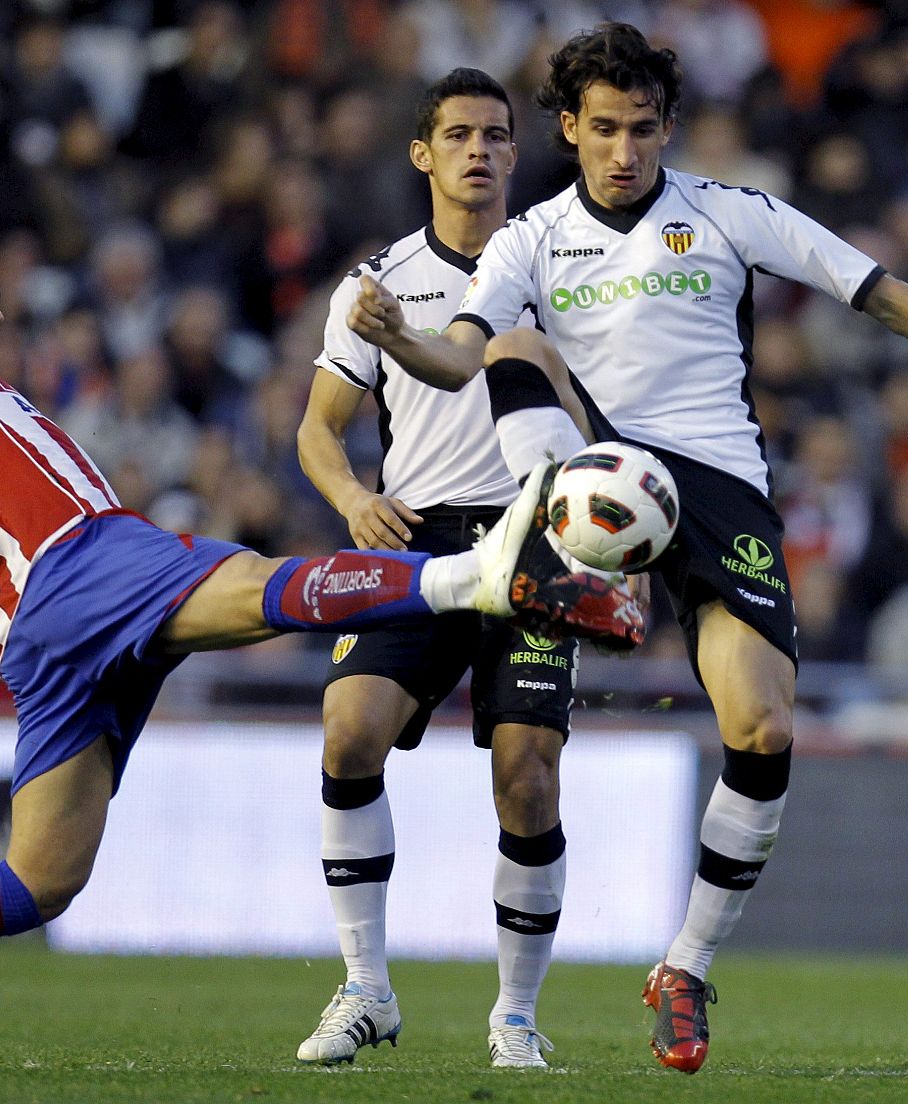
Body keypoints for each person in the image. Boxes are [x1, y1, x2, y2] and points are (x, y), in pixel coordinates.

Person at [0, 141, 643, 1066]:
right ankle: (486, 573)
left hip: (31, 643)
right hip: (73, 567)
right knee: (244, 583)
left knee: (41, 879)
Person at [343, 23, 908, 1074]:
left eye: (641, 129)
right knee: (518, 341)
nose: (623, 151)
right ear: (569, 132)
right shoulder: (530, 239)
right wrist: (399, 338)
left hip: (716, 490)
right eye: (602, 131)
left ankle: (684, 965)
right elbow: (458, 359)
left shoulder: (727, 214)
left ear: (667, 127)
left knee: (762, 727)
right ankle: (575, 562)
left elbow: (880, 293)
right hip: (596, 469)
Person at [295, 68, 571, 1070]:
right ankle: (365, 987)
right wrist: (353, 500)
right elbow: (318, 432)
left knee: (527, 780)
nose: (479, 151)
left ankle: (514, 1017)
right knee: (346, 729)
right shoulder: (376, 284)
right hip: (416, 543)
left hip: (537, 539)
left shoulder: (560, 261)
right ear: (422, 153)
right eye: (457, 134)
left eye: (497, 136)